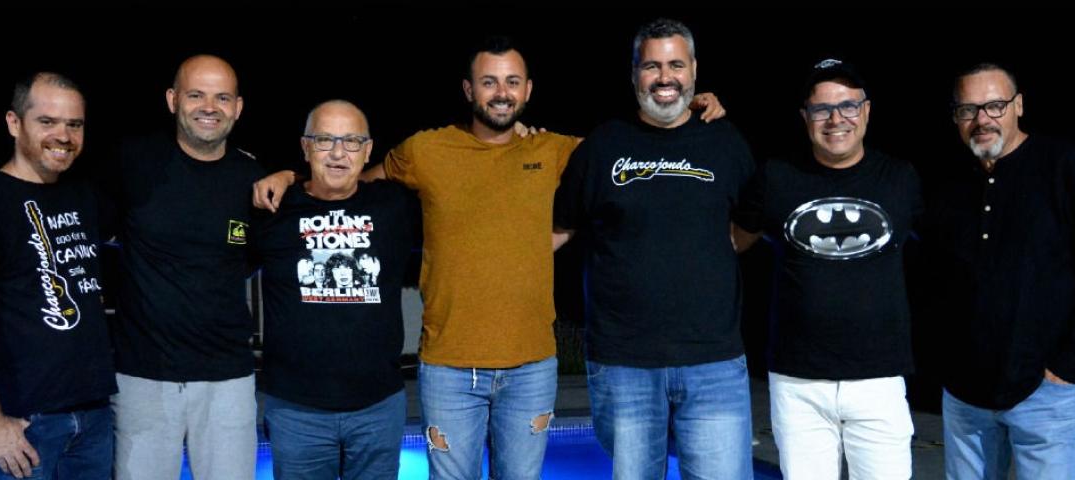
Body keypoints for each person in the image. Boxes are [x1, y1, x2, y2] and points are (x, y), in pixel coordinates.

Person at [251, 36, 725, 479]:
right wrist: (290, 177)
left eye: (512, 81)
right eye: (489, 81)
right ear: (468, 89)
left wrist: (685, 114)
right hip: (448, 368)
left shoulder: (556, 150)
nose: (501, 93)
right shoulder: (425, 149)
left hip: (531, 368)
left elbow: (627, 158)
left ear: (528, 90)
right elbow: (348, 184)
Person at [552, 18, 754, 479]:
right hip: (624, 364)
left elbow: (750, 224)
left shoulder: (726, 142)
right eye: (652, 66)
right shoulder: (603, 146)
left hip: (715, 363)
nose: (665, 78)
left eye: (676, 65)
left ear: (695, 70)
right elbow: (559, 229)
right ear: (634, 73)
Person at [925, 63, 1075, 479]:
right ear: (955, 118)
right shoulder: (946, 182)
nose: (982, 119)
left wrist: (1071, 365)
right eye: (968, 110)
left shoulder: (1067, 166)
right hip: (966, 399)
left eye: (995, 105)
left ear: (1018, 106)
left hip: (1045, 396)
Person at [733, 59, 920, 479]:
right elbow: (732, 241)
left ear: (866, 111)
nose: (836, 119)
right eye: (822, 109)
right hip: (798, 383)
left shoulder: (900, 179)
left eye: (848, 106)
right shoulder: (777, 176)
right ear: (805, 118)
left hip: (879, 379)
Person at [0, 72, 116, 479]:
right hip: (24, 426)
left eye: (75, 124)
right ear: (14, 123)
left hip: (93, 418)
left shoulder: (83, 195)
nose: (64, 135)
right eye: (47, 122)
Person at [101, 54, 265, 480]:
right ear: (173, 100)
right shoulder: (132, 163)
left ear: (238, 107)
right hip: (142, 378)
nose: (209, 107)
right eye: (196, 95)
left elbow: (249, 262)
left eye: (221, 97)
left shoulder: (253, 178)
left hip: (228, 379)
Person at [252, 100, 419, 479]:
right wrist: (288, 177)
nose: (339, 153)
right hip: (296, 412)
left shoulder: (395, 206)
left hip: (378, 408)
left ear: (368, 151)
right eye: (325, 140)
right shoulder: (273, 210)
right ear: (306, 146)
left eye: (352, 141)